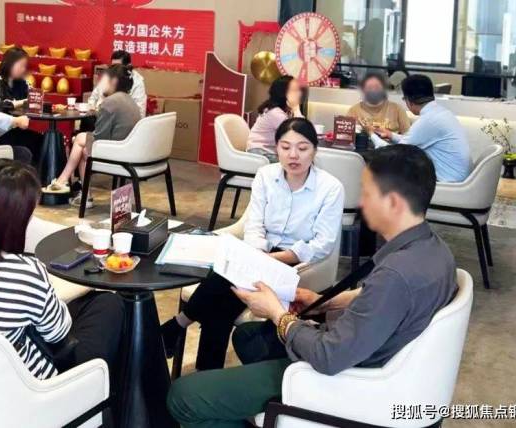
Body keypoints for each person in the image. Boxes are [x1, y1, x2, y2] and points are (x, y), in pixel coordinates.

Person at [167, 144, 458, 428]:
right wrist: (323, 301)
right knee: (249, 337)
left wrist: (277, 314)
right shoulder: (432, 250)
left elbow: (329, 356)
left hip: (343, 380)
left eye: (367, 193)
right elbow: (377, 303)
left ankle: (279, 405)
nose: (361, 203)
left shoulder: (396, 275)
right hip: (364, 355)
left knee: (183, 396)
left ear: (393, 203)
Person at [161, 118, 344, 371]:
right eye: (285, 147)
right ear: (276, 148)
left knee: (224, 289)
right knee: (224, 300)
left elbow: (321, 245)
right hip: (261, 250)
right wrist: (256, 254)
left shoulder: (330, 188)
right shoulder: (266, 175)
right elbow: (254, 224)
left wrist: (268, 260)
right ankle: (201, 365)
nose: (293, 155)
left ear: (314, 150)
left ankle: (179, 327)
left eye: (302, 148)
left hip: (298, 263)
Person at [0, 159, 124, 388]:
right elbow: (59, 333)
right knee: (110, 304)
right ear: (11, 224)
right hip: (33, 389)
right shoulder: (25, 275)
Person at [44, 64, 141, 208]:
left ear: (113, 81)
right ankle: (79, 192)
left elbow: (99, 137)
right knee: (83, 148)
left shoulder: (111, 102)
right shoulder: (129, 100)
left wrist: (81, 139)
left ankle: (64, 182)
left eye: (105, 80)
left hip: (117, 153)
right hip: (128, 150)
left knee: (80, 140)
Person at [369, 74, 471, 182]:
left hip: (449, 182)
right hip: (459, 178)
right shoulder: (440, 113)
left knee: (388, 169)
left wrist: (371, 134)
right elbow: (413, 141)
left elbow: (396, 154)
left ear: (409, 101)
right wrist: (391, 135)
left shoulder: (428, 120)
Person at [0, 47, 44, 164]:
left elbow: (34, 98)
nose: (23, 69)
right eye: (21, 65)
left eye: (25, 66)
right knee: (26, 150)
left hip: (14, 129)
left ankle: (40, 175)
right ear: (9, 64)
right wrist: (20, 103)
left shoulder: (22, 82)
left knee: (42, 140)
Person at [246, 75, 304, 163]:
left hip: (266, 151)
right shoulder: (275, 113)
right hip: (260, 152)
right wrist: (296, 109)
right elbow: (299, 132)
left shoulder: (281, 110)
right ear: (284, 94)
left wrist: (295, 109)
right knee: (297, 161)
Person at [88, 50, 147, 118]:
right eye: (113, 66)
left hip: (121, 118)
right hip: (100, 115)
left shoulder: (137, 82)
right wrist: (92, 109)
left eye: (118, 67)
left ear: (128, 66)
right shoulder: (108, 76)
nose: (114, 70)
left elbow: (140, 112)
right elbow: (93, 97)